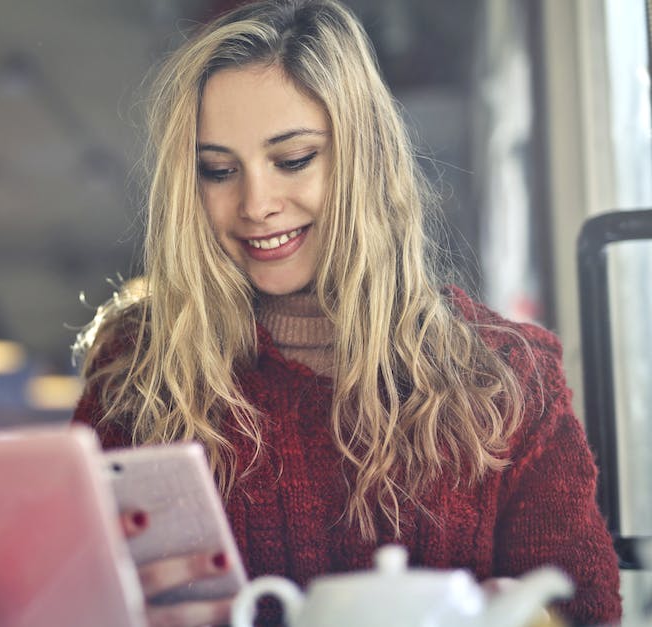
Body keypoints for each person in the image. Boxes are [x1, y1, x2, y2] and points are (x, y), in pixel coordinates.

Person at [71, 1, 622, 625]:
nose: (256, 203)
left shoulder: (507, 376)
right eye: (218, 170)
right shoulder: (138, 367)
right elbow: (55, 593)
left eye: (294, 159)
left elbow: (586, 610)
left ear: (364, 158)